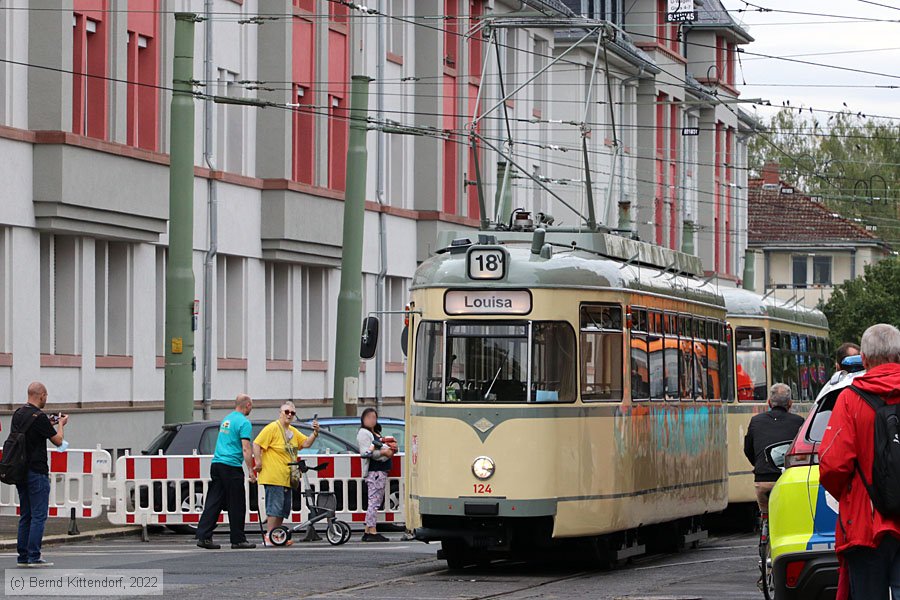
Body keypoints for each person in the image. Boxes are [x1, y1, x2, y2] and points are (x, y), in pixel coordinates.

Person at [820, 324, 900, 598]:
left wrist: (852, 497)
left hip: (865, 526)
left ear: (864, 359)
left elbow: (833, 466)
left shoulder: (849, 400)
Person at [12, 382, 68, 567]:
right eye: (46, 396)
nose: (46, 399)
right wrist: (60, 424)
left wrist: (48, 424)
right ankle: (34, 556)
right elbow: (58, 441)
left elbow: (30, 433)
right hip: (37, 471)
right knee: (38, 515)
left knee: (26, 514)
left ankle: (23, 556)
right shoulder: (40, 418)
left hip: (20, 471)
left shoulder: (18, 414)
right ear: (41, 395)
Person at [252, 402, 318, 546]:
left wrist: (314, 433)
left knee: (283, 508)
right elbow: (256, 444)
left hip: (288, 477)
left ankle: (278, 535)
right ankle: (270, 535)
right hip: (274, 475)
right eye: (286, 412)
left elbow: (305, 443)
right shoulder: (272, 428)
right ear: (280, 412)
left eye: (292, 413)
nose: (289, 415)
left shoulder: (292, 431)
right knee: (274, 507)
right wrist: (258, 462)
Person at [196, 394, 257, 550]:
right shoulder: (244, 422)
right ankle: (237, 539)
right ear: (248, 405)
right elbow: (245, 447)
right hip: (231, 466)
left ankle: (203, 535)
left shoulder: (227, 419)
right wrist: (251, 470)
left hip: (217, 464)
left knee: (214, 501)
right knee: (236, 503)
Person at [743, 383, 805, 513]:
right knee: (791, 512)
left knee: (766, 512)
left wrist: (761, 464)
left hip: (763, 480)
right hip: (788, 478)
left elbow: (748, 450)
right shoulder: (799, 422)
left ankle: (765, 524)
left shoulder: (756, 421)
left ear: (769, 402)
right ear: (790, 403)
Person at [357, 408, 393, 542]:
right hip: (375, 471)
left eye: (374, 417)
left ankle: (368, 530)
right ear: (363, 419)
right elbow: (367, 453)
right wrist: (385, 453)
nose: (372, 420)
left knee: (375, 500)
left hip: (380, 470)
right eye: (369, 417)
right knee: (374, 501)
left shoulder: (375, 432)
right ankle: (371, 529)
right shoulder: (364, 433)